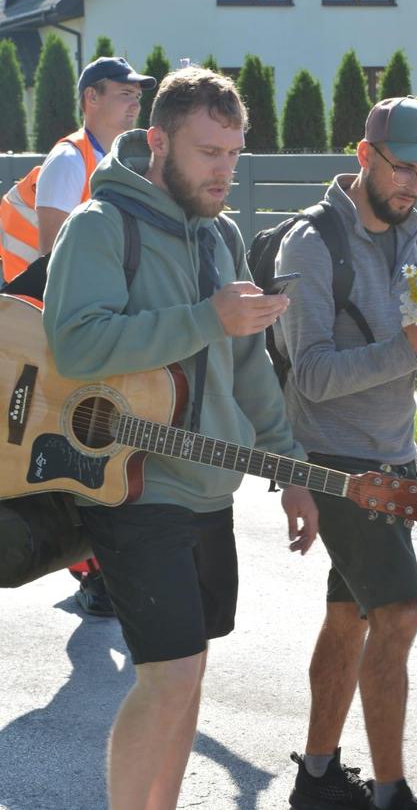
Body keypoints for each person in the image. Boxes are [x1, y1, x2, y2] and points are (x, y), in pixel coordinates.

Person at [43, 66, 318, 810]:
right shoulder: (100, 227)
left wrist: (290, 467)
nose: (224, 170)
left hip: (208, 487)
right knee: (167, 674)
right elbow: (76, 345)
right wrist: (208, 317)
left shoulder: (221, 237)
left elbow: (246, 361)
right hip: (135, 484)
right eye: (208, 153)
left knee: (189, 672)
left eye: (233, 153)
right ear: (158, 142)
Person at [274, 96, 417, 810]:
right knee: (400, 614)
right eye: (403, 168)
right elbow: (313, 376)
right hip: (332, 462)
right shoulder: (310, 244)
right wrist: (406, 350)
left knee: (349, 615)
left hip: (393, 455)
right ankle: (392, 794)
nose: (414, 185)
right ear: (363, 155)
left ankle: (317, 777)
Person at [35, 55, 157, 616]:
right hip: (46, 322)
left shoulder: (121, 160)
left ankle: (100, 565)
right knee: (73, 442)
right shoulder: (68, 160)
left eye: (138, 93)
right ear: (91, 98)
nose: (134, 100)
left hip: (90, 319)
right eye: (123, 92)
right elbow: (54, 256)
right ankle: (91, 570)